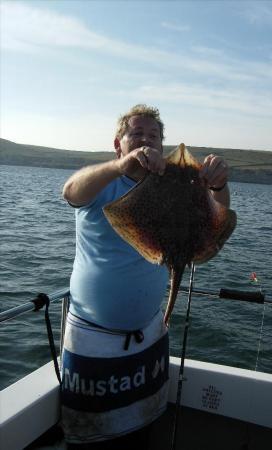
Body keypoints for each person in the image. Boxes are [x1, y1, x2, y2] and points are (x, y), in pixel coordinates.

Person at [61, 104, 231, 449]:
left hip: (150, 335)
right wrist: (119, 168)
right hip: (95, 339)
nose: (145, 140)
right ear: (118, 144)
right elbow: (71, 191)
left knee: (144, 431)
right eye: (136, 134)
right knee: (91, 436)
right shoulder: (104, 183)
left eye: (153, 135)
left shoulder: (174, 183)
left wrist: (218, 184)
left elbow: (219, 214)